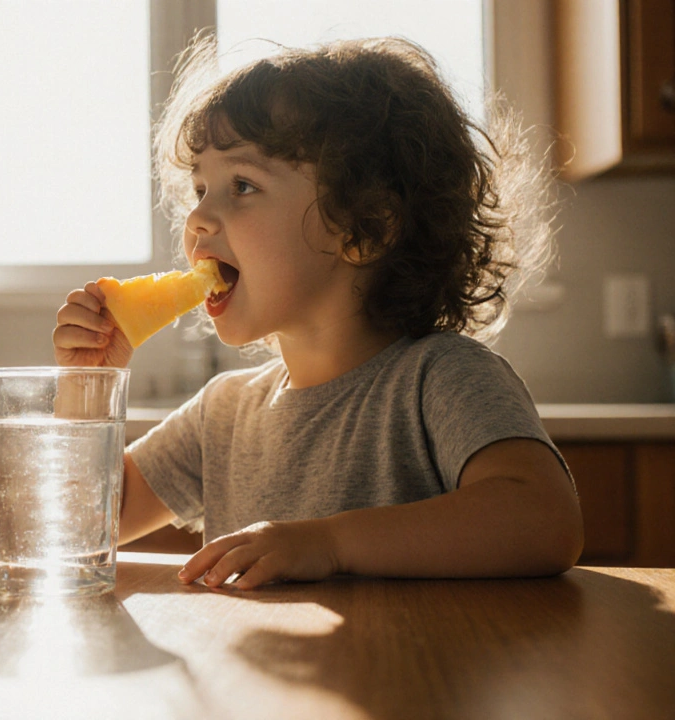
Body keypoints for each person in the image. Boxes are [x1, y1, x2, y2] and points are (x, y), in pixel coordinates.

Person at [53, 37, 583, 590]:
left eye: (242, 185)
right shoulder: (224, 415)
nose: (199, 219)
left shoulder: (440, 378)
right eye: (200, 188)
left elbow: (543, 519)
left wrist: (328, 543)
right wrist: (89, 380)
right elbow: (80, 525)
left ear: (364, 230)